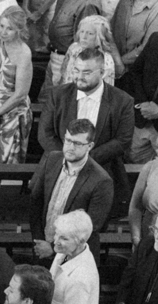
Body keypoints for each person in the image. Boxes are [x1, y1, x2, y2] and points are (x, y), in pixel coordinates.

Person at [39, 47, 136, 216]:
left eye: (87, 72)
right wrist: (68, 157)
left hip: (102, 170)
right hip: (58, 167)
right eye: (76, 70)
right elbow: (45, 134)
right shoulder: (58, 95)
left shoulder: (122, 100)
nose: (79, 76)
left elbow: (123, 140)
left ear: (102, 72)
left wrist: (85, 160)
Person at [29, 121, 115, 255]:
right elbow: (35, 202)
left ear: (90, 146)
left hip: (75, 256)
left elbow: (90, 228)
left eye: (78, 143)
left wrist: (52, 248)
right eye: (68, 140)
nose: (70, 147)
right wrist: (39, 242)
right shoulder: (52, 159)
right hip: (42, 248)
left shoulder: (101, 180)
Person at [0, 9, 33, 165]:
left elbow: (20, 94)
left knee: (8, 168)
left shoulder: (24, 53)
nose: (3, 32)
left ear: (19, 30)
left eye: (9, 28)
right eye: (2, 26)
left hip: (12, 116)